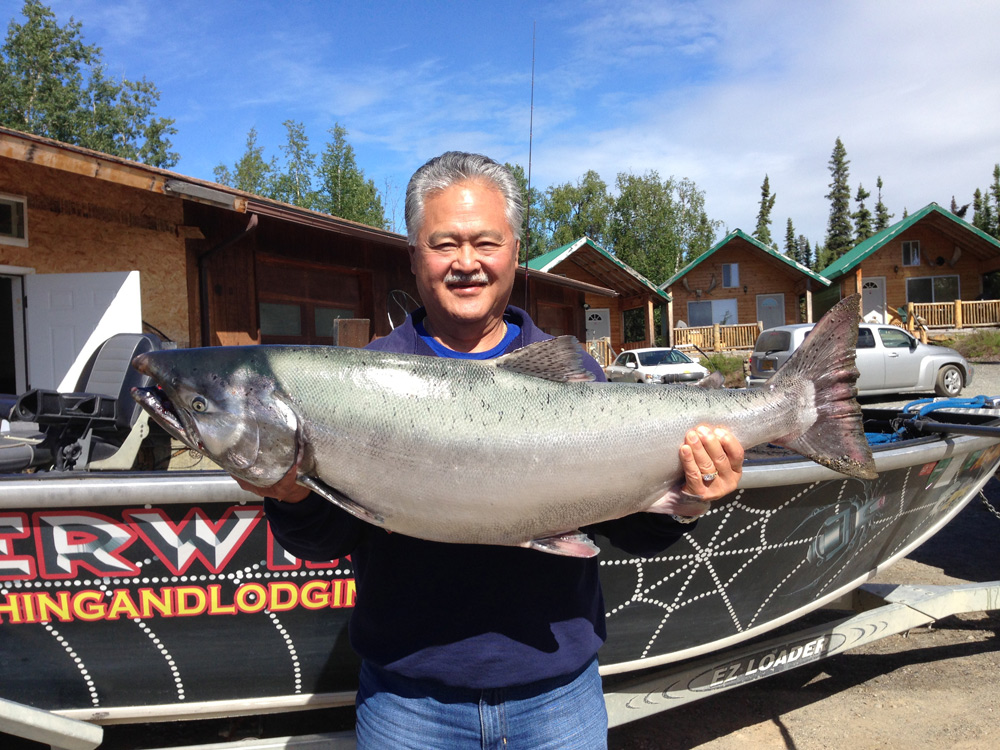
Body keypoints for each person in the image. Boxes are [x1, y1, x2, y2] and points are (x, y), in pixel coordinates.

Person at [237, 152, 744, 748]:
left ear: (514, 251)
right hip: (407, 703)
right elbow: (327, 541)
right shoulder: (367, 376)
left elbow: (628, 531)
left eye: (486, 242)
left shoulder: (572, 369)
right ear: (413, 255)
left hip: (558, 697)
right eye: (443, 243)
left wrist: (687, 501)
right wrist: (293, 498)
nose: (466, 263)